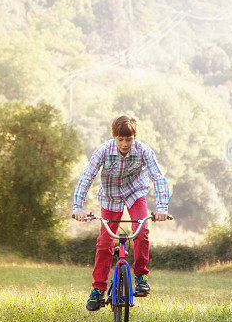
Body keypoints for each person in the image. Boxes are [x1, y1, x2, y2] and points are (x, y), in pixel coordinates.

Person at [72, 114, 170, 311]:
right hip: (110, 197)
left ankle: (141, 276)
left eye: (129, 139)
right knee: (105, 242)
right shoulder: (103, 151)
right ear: (114, 137)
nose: (125, 144)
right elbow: (86, 177)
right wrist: (78, 208)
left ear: (135, 137)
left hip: (136, 193)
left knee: (141, 232)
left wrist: (161, 208)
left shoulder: (144, 151)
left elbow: (158, 179)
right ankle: (98, 289)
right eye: (120, 139)